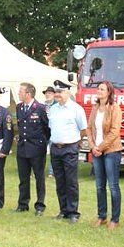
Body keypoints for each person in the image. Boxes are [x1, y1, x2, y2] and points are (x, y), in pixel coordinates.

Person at [48, 80, 87, 223]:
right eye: (56, 92)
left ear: (68, 93)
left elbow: (83, 129)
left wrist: (75, 141)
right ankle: (63, 210)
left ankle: (73, 212)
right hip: (55, 148)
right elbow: (51, 127)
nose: (57, 95)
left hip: (70, 148)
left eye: (60, 92)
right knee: (60, 181)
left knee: (71, 181)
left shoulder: (76, 109)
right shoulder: (53, 109)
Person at [87, 81, 123, 230]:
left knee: (113, 186)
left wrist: (100, 148)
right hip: (96, 151)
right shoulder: (95, 108)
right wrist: (92, 146)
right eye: (98, 89)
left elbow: (115, 131)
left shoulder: (115, 108)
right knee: (99, 186)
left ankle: (115, 219)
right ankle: (102, 217)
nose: (99, 91)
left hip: (111, 151)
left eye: (102, 89)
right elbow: (89, 128)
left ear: (109, 92)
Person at [15, 82, 49, 216]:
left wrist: (42, 143)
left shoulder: (40, 108)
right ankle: (23, 204)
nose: (19, 93)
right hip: (23, 147)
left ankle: (40, 205)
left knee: (39, 178)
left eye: (21, 91)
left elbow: (47, 128)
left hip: (37, 148)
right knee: (23, 178)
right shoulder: (19, 107)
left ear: (28, 94)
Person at [43, 86, 56, 177]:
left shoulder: (57, 105)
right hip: (44, 131)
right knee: (41, 151)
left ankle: (52, 172)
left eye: (50, 93)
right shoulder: (42, 105)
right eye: (46, 93)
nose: (48, 95)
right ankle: (39, 170)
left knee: (53, 151)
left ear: (54, 95)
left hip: (53, 130)